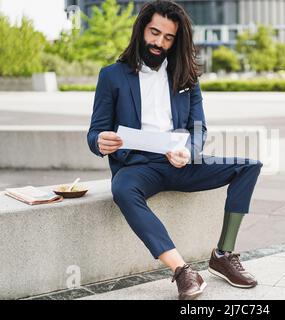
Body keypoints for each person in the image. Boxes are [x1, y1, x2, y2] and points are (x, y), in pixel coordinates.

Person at [87, 0, 263, 300]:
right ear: (141, 29)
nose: (158, 43)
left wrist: (189, 151)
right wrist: (99, 142)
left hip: (182, 163)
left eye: (168, 38)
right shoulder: (112, 76)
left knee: (250, 166)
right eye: (154, 33)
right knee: (122, 191)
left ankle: (222, 254)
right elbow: (95, 132)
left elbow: (199, 129)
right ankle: (182, 270)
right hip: (137, 168)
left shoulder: (186, 76)